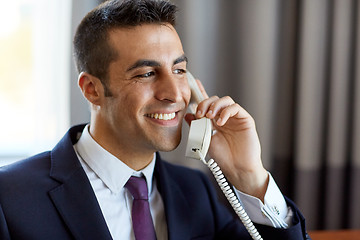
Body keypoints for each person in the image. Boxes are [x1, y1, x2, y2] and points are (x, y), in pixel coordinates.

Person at [0, 0, 310, 239]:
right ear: (92, 90)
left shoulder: (195, 190)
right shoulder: (10, 196)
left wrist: (250, 176)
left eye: (178, 70)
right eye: (147, 73)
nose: (175, 93)